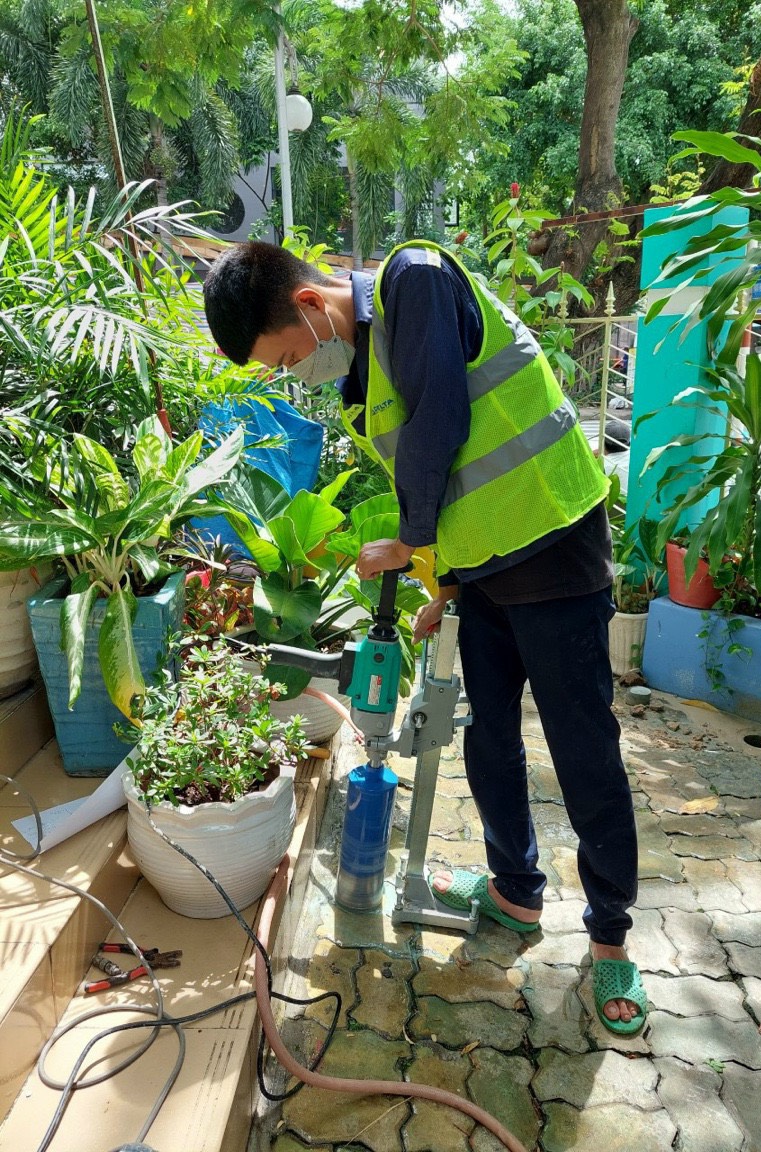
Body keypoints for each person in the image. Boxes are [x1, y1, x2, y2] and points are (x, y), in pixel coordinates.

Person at [202, 238, 646, 1035]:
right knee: (487, 740)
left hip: (554, 545)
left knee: (582, 749)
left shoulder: (416, 281)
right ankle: (514, 891)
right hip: (485, 573)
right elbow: (453, 479)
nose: (294, 373)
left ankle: (611, 934)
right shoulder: (358, 385)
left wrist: (407, 544)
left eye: (287, 358)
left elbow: (444, 418)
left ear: (310, 304)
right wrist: (446, 583)